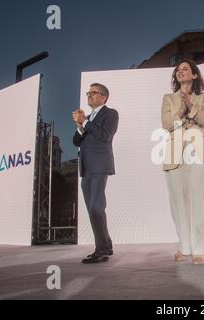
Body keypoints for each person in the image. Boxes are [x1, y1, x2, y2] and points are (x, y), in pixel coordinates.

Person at [161, 59, 204, 265]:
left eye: (185, 69)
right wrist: (181, 110)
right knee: (178, 199)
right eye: (178, 70)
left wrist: (191, 105)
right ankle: (184, 246)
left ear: (194, 75)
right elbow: (167, 124)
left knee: (198, 196)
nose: (181, 72)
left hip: (198, 147)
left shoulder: (203, 97)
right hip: (175, 148)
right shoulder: (168, 98)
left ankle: (199, 247)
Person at [72, 83, 119, 264]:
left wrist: (85, 122)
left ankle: (102, 249)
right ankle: (105, 246)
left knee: (96, 208)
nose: (89, 95)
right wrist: (79, 125)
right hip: (86, 168)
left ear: (104, 97)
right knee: (94, 210)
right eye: (88, 93)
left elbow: (105, 135)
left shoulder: (111, 113)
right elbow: (76, 141)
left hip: (100, 165)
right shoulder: (88, 118)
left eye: (94, 92)